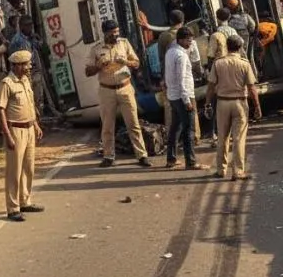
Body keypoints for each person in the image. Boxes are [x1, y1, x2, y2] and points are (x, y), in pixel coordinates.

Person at [86, 19, 153, 168]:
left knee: (133, 124)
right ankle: (108, 156)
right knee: (108, 126)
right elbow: (87, 71)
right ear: (105, 33)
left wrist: (126, 62)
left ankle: (142, 156)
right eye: (112, 33)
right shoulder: (96, 49)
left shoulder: (124, 43)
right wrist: (98, 66)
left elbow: (136, 63)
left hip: (125, 88)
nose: (116, 35)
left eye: (117, 32)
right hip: (106, 90)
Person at [0, 50, 44, 222]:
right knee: (14, 171)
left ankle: (25, 200)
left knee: (28, 168)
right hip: (15, 130)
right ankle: (13, 207)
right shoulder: (6, 84)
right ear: (16, 65)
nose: (28, 67)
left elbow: (30, 105)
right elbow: (0, 110)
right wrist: (7, 134)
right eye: (25, 64)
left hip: (29, 128)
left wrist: (35, 124)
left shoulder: (25, 81)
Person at [205, 37, 262, 179]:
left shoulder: (218, 63)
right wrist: (257, 106)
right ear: (240, 47)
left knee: (222, 138)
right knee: (239, 138)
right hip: (240, 104)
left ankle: (221, 169)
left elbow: (211, 86)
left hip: (222, 103)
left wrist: (207, 103)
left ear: (226, 46)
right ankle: (237, 171)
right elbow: (252, 88)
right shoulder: (244, 63)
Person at [164, 27, 202, 170]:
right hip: (183, 96)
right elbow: (181, 79)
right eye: (188, 41)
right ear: (180, 40)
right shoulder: (181, 56)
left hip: (173, 96)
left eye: (191, 40)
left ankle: (171, 159)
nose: (190, 43)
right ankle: (191, 162)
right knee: (189, 130)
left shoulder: (170, 52)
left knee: (176, 128)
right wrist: (187, 101)